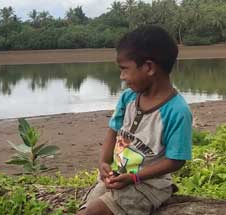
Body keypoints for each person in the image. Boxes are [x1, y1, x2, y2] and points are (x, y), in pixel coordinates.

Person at [78, 25, 193, 215]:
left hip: (149, 185)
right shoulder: (128, 98)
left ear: (148, 67)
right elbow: (113, 131)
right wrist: (103, 163)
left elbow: (176, 160)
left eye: (124, 69)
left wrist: (134, 178)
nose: (122, 77)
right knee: (85, 210)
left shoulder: (177, 111)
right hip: (119, 177)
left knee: (96, 211)